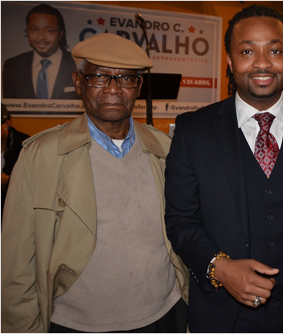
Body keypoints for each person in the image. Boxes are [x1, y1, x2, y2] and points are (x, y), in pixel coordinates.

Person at [165, 5, 283, 333]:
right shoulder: (193, 131)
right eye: (248, 51)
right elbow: (180, 221)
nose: (262, 63)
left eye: (274, 50)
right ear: (231, 62)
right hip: (221, 315)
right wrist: (219, 268)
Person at [1, 33, 189, 333]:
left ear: (138, 87)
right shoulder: (41, 157)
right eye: (100, 77)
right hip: (76, 326)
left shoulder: (166, 150)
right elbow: (14, 266)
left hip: (164, 318)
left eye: (126, 79)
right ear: (78, 83)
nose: (114, 89)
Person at [2, 3, 79, 99]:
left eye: (49, 31)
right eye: (34, 29)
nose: (41, 37)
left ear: (60, 34)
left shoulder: (78, 64)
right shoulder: (12, 66)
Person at [1, 103, 30, 217]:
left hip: (15, 210)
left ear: (6, 124)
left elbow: (34, 182)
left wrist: (8, 180)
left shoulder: (24, 145)